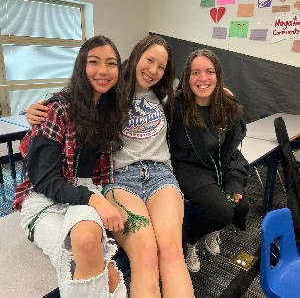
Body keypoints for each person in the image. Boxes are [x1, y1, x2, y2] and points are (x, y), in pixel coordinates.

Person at [25, 35, 195, 298]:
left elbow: (197, 91)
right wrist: (35, 111)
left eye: (161, 67)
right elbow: (74, 103)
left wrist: (218, 92)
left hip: (159, 176)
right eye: (149, 60)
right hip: (119, 179)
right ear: (135, 57)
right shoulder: (109, 95)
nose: (153, 70)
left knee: (172, 249)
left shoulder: (160, 97)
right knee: (146, 252)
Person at [13, 36, 128, 298]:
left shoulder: (109, 110)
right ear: (80, 66)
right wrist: (95, 201)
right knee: (85, 258)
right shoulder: (56, 109)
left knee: (88, 242)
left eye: (111, 64)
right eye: (94, 62)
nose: (103, 71)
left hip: (83, 193)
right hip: (44, 198)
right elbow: (44, 181)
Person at [169, 49, 250, 273]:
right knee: (222, 210)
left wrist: (234, 183)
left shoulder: (227, 106)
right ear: (187, 77)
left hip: (217, 168)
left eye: (209, 71)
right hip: (188, 169)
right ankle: (191, 241)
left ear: (218, 75)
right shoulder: (176, 108)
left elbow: (233, 151)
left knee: (240, 204)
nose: (203, 79)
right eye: (195, 72)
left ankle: (213, 228)